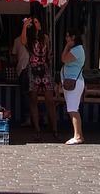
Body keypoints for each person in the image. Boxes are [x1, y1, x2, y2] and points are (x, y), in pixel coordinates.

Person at [20, 13, 58, 141]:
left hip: (44, 68)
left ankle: (55, 128)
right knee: (33, 100)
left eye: (38, 22)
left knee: (50, 100)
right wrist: (24, 27)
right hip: (33, 69)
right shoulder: (29, 40)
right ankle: (37, 128)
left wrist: (49, 57)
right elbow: (22, 41)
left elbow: (48, 53)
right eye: (35, 23)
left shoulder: (45, 37)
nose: (38, 24)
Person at [60, 26, 86, 144]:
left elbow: (64, 59)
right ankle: (78, 134)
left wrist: (66, 47)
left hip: (74, 81)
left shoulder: (77, 49)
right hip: (71, 81)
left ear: (73, 37)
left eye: (67, 36)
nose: (66, 38)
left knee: (72, 109)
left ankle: (77, 136)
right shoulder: (77, 49)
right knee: (73, 108)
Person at [11, 27, 31, 126]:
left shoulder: (17, 40)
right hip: (37, 70)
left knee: (26, 94)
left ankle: (28, 118)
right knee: (38, 94)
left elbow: (14, 58)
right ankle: (43, 116)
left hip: (24, 69)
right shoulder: (36, 39)